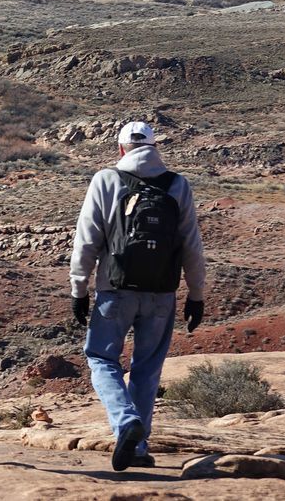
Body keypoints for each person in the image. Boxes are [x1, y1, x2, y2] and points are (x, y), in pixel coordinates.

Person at [70, 121, 206, 471]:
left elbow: (87, 240)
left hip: (115, 289)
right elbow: (192, 244)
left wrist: (79, 289)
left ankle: (125, 422)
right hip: (162, 293)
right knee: (147, 368)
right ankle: (139, 445)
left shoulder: (106, 180)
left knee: (101, 359)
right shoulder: (177, 185)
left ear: (120, 149)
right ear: (154, 147)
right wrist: (196, 294)